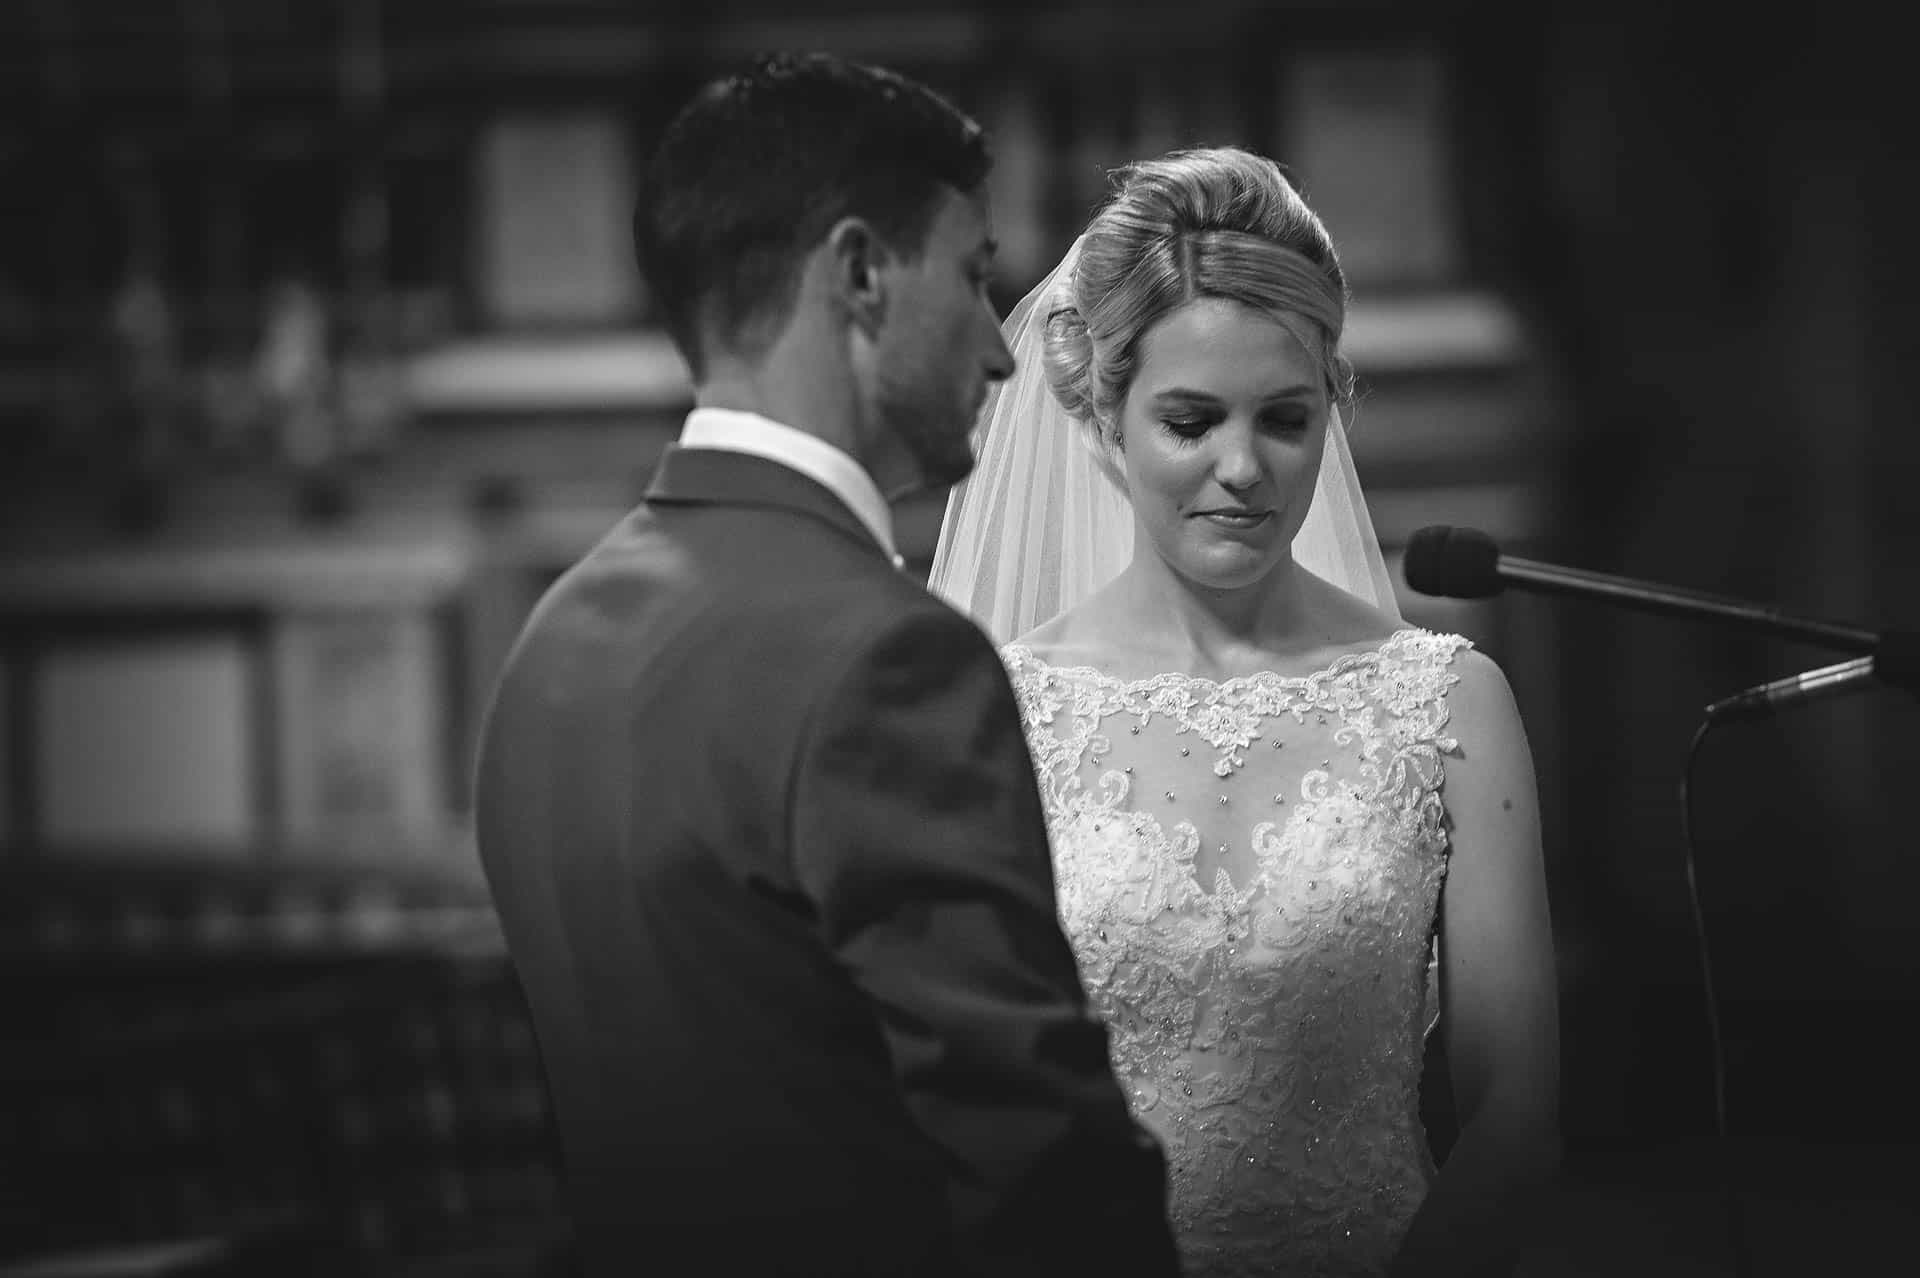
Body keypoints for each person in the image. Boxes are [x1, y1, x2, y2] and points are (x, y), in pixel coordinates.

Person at [472, 53, 1180, 1278]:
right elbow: (1045, 1170)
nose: (1003, 352)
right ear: (859, 274)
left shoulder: (553, 640)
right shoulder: (888, 659)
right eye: (971, 277)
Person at [931, 146, 1561, 1276]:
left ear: (1335, 407)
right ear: (1098, 414)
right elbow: (959, 1111)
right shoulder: (1002, 712)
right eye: (1190, 420)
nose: (1244, 467)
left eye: (1283, 417)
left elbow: (1516, 1113)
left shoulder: (1448, 702)